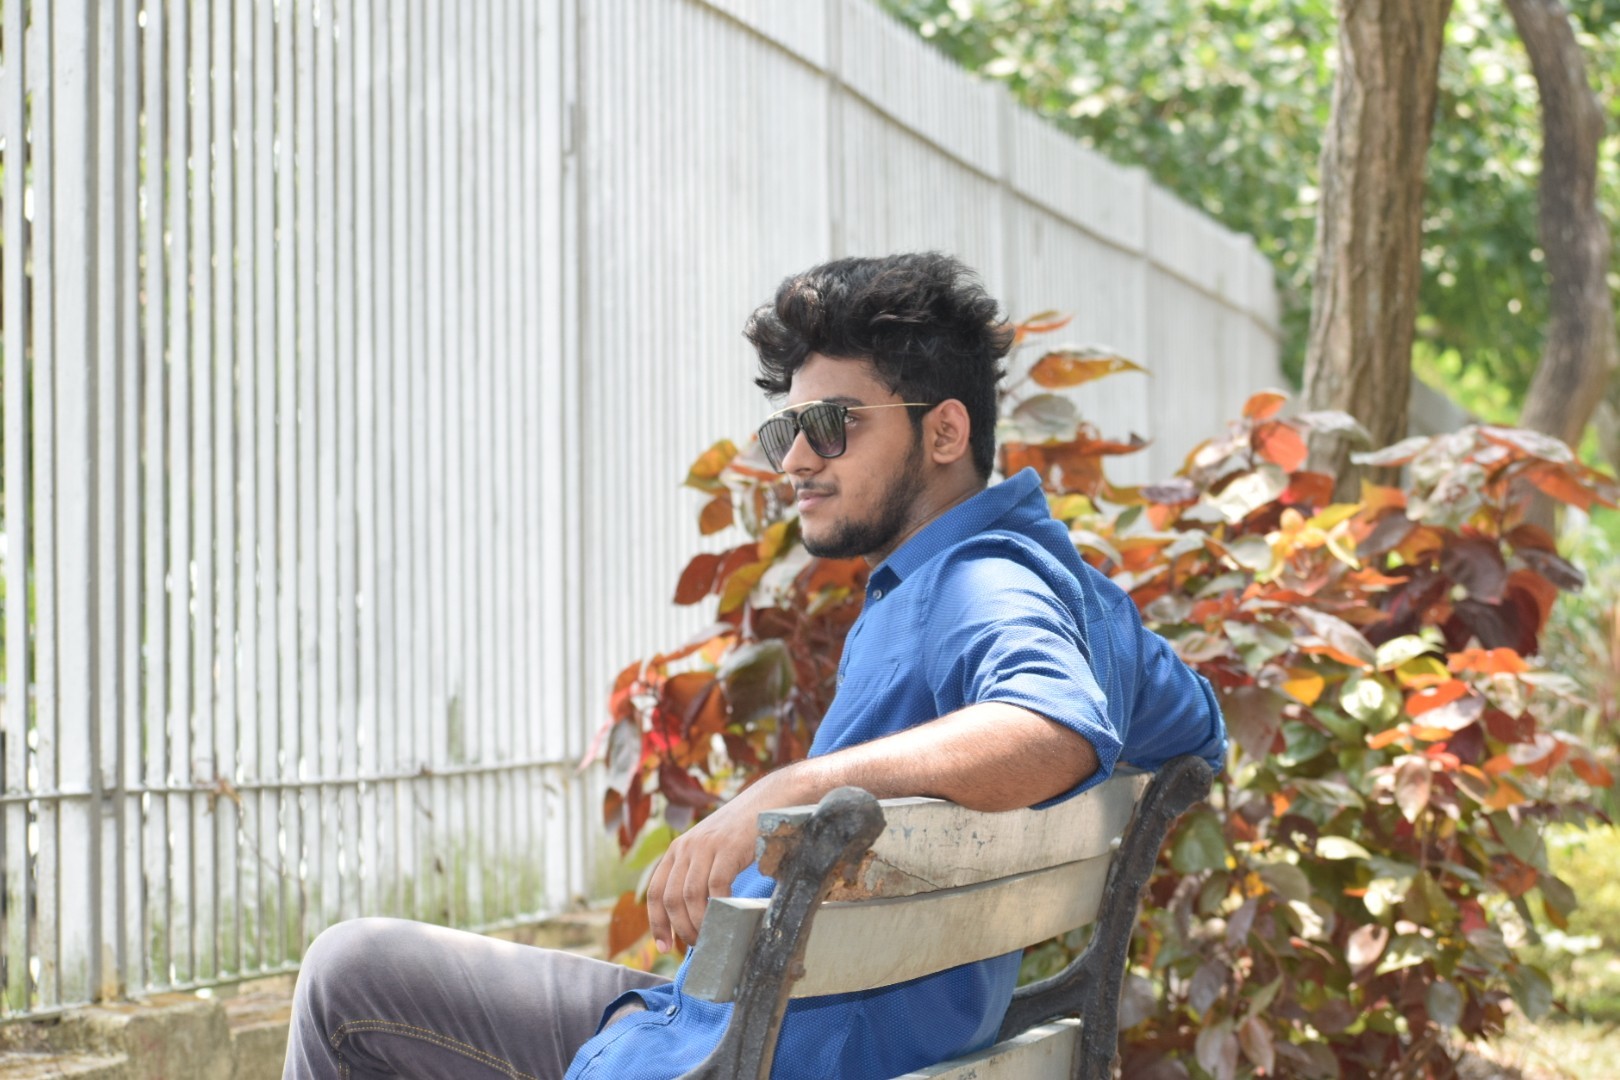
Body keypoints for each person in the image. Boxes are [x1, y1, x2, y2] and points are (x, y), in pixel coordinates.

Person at [282, 252, 1226, 1079]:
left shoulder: (972, 585)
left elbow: (1051, 729)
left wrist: (794, 786)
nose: (795, 460)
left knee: (350, 977)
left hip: (760, 1051)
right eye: (787, 430)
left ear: (945, 433)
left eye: (833, 423)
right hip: (765, 1022)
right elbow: (1197, 730)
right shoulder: (1052, 584)